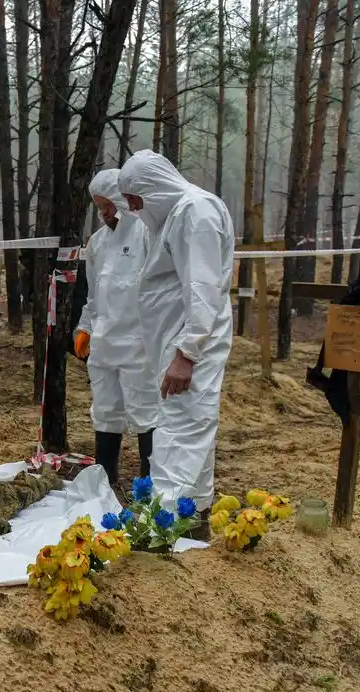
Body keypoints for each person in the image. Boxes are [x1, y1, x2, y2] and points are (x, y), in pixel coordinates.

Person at [117, 149, 235, 516]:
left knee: (179, 433)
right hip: (179, 343)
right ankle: (193, 516)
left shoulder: (194, 213)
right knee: (190, 429)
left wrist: (187, 354)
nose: (135, 209)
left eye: (137, 200)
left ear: (154, 188)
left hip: (190, 346)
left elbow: (202, 288)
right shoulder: (174, 217)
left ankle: (159, 527)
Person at [73, 168, 158, 487]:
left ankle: (151, 488)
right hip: (105, 349)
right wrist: (85, 328)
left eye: (107, 205)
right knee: (106, 412)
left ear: (122, 200)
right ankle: (105, 483)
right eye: (98, 207)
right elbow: (94, 295)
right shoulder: (97, 244)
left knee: (146, 415)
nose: (103, 212)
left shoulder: (147, 235)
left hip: (139, 348)